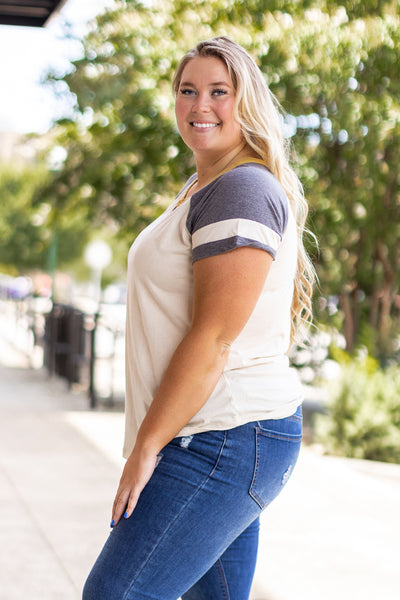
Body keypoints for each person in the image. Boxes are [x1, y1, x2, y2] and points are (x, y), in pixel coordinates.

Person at [83, 36, 315, 600]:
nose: (199, 106)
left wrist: (145, 448)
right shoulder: (206, 186)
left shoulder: (240, 188)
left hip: (224, 437)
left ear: (247, 101)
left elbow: (212, 338)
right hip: (225, 433)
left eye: (219, 92)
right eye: (188, 91)